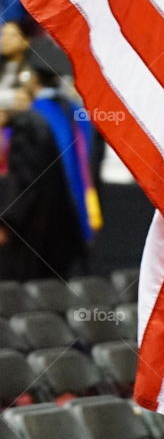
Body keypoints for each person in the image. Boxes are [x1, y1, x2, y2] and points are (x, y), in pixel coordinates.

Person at [0, 40, 99, 281]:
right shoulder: (77, 114)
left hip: (32, 229)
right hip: (71, 224)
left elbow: (25, 178)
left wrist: (8, 221)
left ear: (33, 78)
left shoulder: (30, 119)